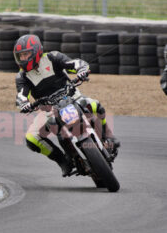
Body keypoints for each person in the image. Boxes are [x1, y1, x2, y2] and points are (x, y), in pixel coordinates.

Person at [13, 34, 120, 177]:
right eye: (21, 56)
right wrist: (23, 103)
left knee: (95, 105)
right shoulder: (22, 77)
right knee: (31, 138)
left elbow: (74, 63)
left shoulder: (52, 57)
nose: (23, 59)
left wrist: (81, 69)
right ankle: (64, 161)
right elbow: (21, 94)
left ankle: (109, 137)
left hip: (73, 97)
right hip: (49, 110)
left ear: (36, 51)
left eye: (26, 54)